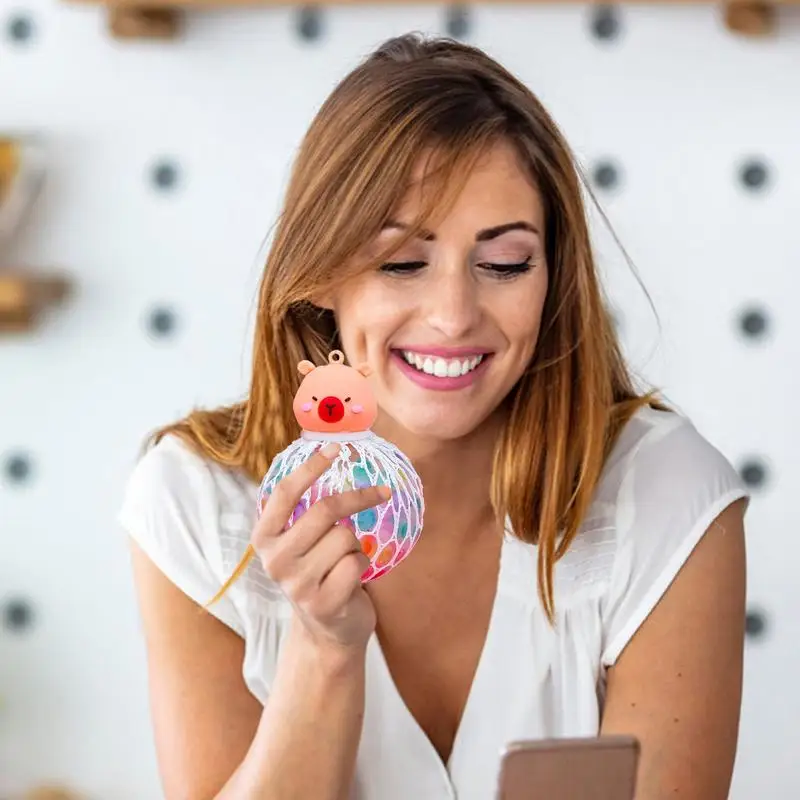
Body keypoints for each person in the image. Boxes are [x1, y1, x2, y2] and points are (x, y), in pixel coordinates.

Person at [119, 33, 749, 800]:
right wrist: (324, 650)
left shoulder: (665, 493)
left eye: (505, 262)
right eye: (402, 262)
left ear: (553, 276)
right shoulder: (194, 504)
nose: (453, 316)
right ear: (320, 277)